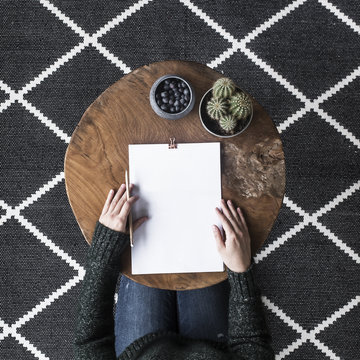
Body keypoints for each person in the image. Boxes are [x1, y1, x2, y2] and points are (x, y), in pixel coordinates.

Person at [74, 184, 275, 359]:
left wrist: (105, 250)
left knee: (145, 246)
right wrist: (240, 272)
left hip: (144, 349)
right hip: (211, 347)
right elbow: (253, 345)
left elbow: (91, 342)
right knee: (204, 233)